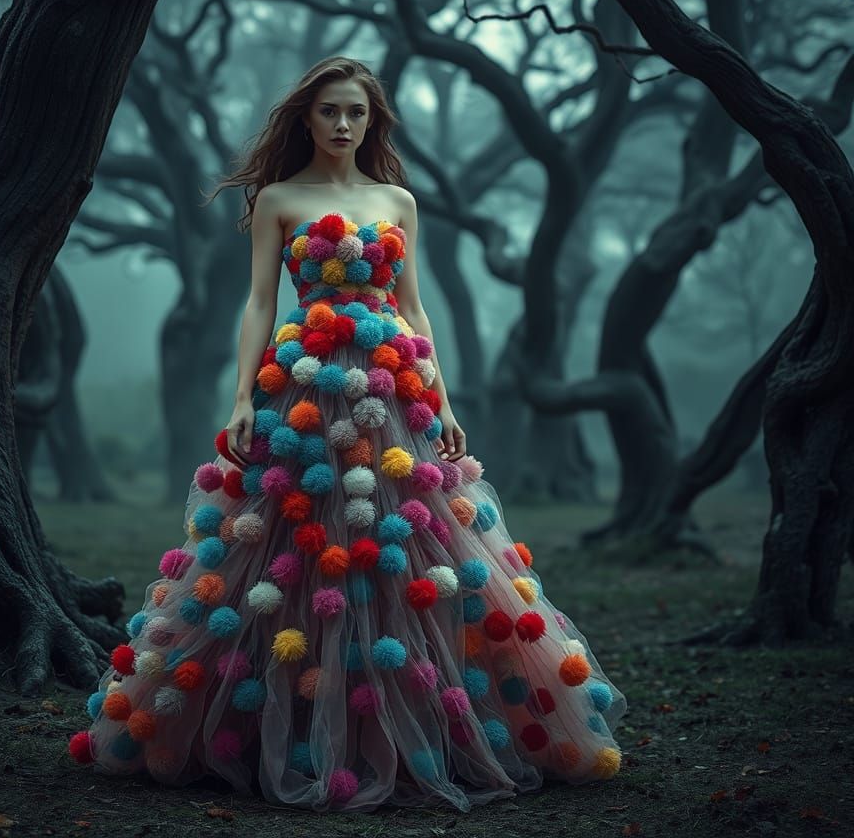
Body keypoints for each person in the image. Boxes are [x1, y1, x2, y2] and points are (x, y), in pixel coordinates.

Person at [67, 56, 626, 812]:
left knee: (417, 545)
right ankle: (286, 720)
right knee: (289, 547)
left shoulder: (398, 199)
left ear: (372, 121)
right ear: (305, 117)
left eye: (355, 113)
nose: (341, 124)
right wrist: (241, 396)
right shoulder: (278, 199)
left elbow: (415, 309)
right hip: (302, 393)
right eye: (329, 110)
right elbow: (260, 304)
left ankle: (421, 721)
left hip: (396, 396)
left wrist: (444, 399)